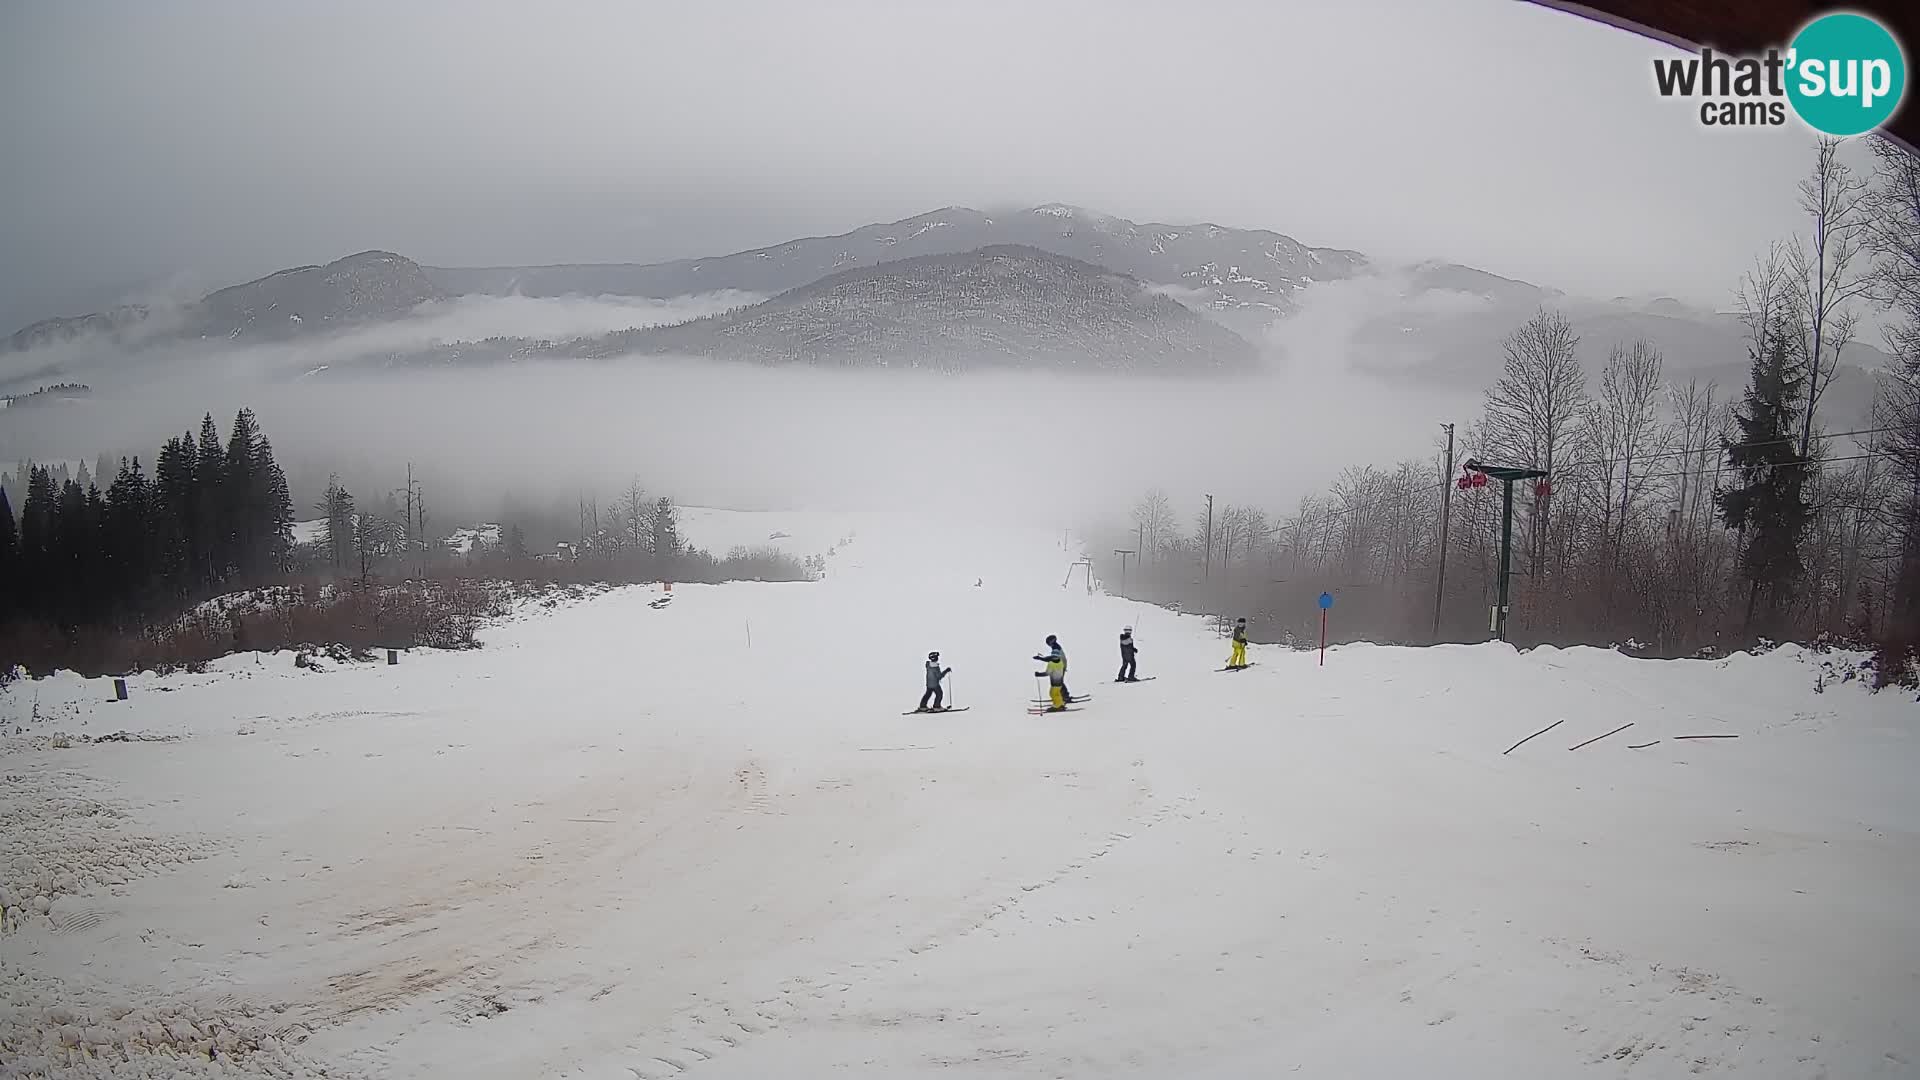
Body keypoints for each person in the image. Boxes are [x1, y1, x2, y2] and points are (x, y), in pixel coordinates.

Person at [1033, 634, 1068, 710]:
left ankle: (1060, 701)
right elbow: (1054, 658)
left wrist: (1040, 659)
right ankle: (1061, 700)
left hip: (1059, 667)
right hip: (1060, 666)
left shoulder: (1055, 648)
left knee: (1055, 690)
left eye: (1048, 643)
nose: (1048, 644)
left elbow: (1053, 657)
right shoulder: (1055, 647)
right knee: (1058, 686)